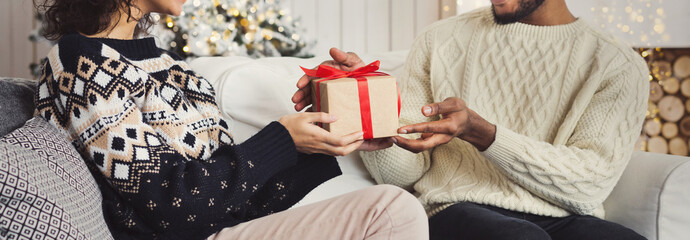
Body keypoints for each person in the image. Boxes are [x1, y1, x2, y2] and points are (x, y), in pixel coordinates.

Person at [32, 0, 428, 239]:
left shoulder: (175, 70)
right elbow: (170, 204)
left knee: (395, 208)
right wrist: (282, 140)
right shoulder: (81, 63)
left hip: (216, 230)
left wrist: (328, 136)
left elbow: (239, 201)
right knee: (391, 210)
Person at [292, 0, 649, 239]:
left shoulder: (617, 65)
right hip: (452, 209)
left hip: (564, 215)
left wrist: (486, 136)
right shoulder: (440, 40)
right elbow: (406, 175)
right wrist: (368, 109)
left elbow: (588, 186)